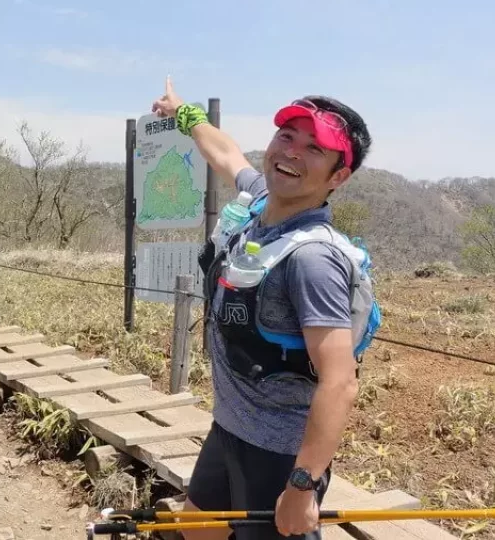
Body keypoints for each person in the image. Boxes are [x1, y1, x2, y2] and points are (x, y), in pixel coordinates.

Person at [152, 77, 373, 540]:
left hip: (278, 455)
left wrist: (302, 487)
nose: (291, 152)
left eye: (314, 149)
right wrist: (183, 112)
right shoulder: (259, 202)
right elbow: (225, 153)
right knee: (197, 531)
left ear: (338, 176)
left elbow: (340, 383)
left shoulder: (313, 259)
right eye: (286, 136)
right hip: (229, 428)